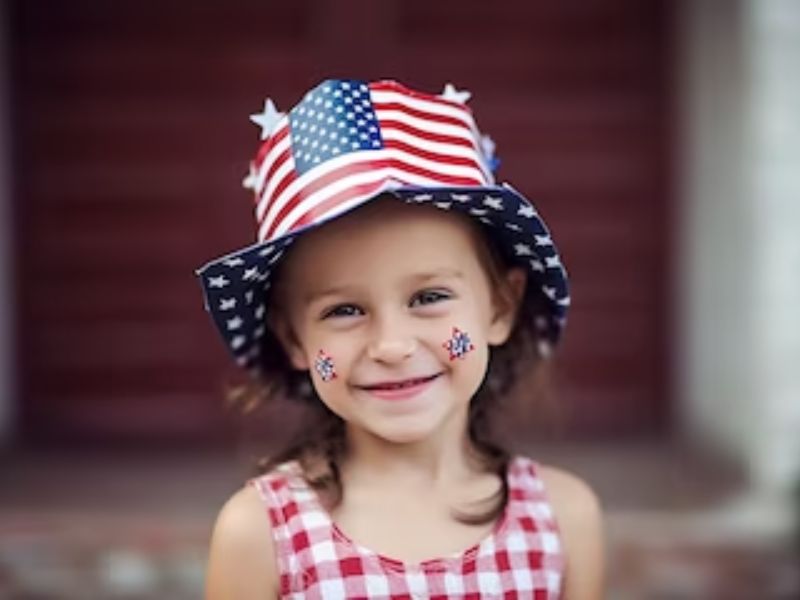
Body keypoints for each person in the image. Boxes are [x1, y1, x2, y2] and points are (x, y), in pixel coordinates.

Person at [198, 79, 605, 599]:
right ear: (294, 338)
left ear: (500, 307)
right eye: (344, 310)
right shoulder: (261, 536)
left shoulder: (563, 522)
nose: (392, 345)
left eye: (429, 297)